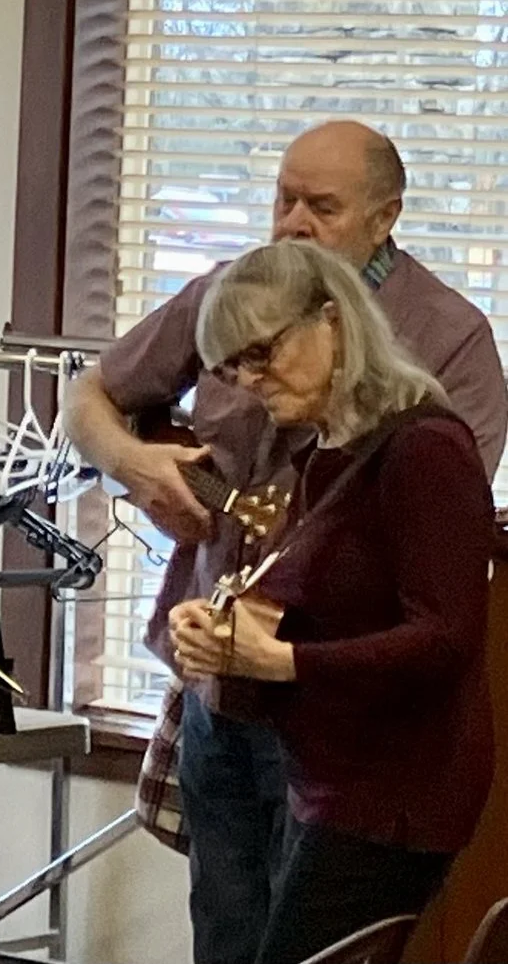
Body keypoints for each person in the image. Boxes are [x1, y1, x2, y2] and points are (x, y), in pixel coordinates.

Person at [59, 120, 507, 964]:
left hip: (349, 730)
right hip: (222, 694)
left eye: (323, 205)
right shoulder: (231, 292)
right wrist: (139, 464)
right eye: (284, 197)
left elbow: (437, 579)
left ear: (386, 218)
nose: (294, 220)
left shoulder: (445, 359)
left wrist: (287, 655)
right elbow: (90, 397)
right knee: (225, 930)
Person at [167, 240, 494, 964]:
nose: (252, 380)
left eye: (262, 352)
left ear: (333, 319)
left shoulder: (426, 447)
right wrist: (224, 631)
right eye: (232, 368)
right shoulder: (325, 453)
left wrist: (281, 661)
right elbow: (322, 606)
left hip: (398, 794)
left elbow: (445, 637)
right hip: (329, 780)